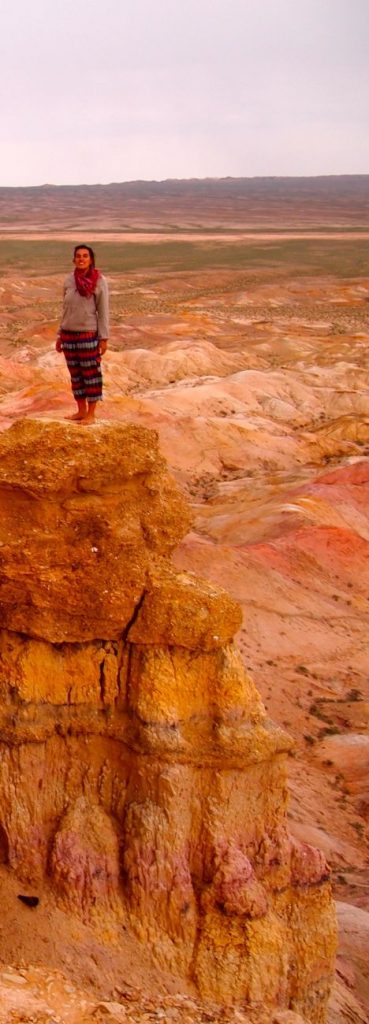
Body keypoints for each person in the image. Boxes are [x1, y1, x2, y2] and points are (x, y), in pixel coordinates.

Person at [56, 245, 109, 423]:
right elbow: (65, 308)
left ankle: (91, 414)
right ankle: (80, 410)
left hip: (88, 333)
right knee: (75, 374)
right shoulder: (69, 280)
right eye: (78, 256)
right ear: (74, 260)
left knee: (91, 374)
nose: (81, 259)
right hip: (68, 334)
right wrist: (59, 334)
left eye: (85, 256)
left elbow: (103, 311)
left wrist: (104, 338)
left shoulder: (99, 280)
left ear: (91, 259)